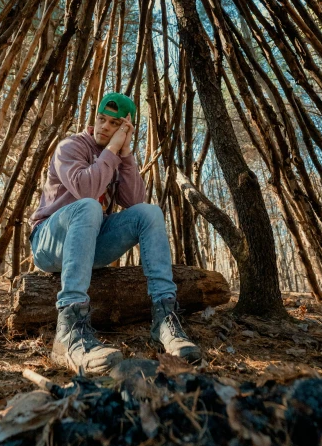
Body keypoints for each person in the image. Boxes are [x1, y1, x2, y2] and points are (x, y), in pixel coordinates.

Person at [29, 92, 200, 374]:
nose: (104, 127)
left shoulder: (118, 155)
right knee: (88, 207)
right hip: (48, 241)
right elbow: (86, 190)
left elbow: (134, 201)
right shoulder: (70, 146)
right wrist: (111, 152)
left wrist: (126, 154)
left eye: (114, 124)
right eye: (101, 119)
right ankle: (69, 328)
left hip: (90, 245)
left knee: (150, 212)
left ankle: (164, 318)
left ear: (125, 129)